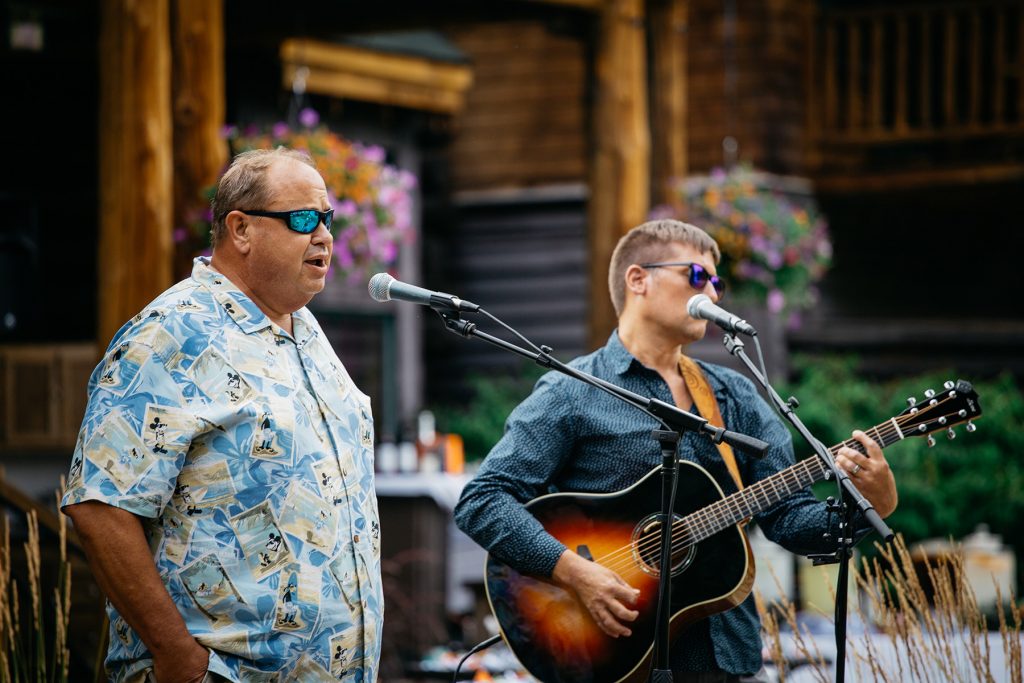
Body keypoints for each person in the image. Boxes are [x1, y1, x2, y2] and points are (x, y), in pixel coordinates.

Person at [453, 219, 898, 682]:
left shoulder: (734, 395)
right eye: (697, 276)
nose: (713, 294)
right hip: (612, 656)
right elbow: (483, 499)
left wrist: (871, 504)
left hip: (725, 659)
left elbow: (789, 519)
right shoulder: (572, 391)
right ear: (638, 279)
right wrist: (571, 571)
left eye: (718, 283)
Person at [62, 148, 382, 682]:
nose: (325, 235)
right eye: (304, 219)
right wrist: (179, 660)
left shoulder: (305, 331)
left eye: (328, 218)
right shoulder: (171, 332)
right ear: (240, 229)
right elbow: (100, 506)